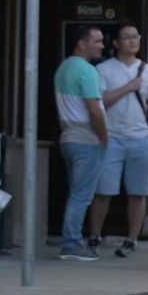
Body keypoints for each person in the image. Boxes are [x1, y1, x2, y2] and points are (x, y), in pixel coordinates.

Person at [88, 22, 148, 257]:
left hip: (141, 138)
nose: (132, 41)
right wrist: (129, 87)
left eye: (136, 36)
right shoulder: (104, 69)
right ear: (116, 43)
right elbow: (101, 101)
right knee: (103, 191)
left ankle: (132, 239)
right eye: (127, 37)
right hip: (112, 137)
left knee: (138, 192)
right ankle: (95, 235)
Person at [53, 24, 108, 262]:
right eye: (97, 41)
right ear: (82, 43)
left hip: (68, 136)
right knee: (81, 195)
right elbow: (94, 109)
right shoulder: (87, 71)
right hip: (87, 138)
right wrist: (104, 136)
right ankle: (72, 244)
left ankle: (72, 240)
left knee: (76, 193)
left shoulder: (64, 68)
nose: (102, 46)